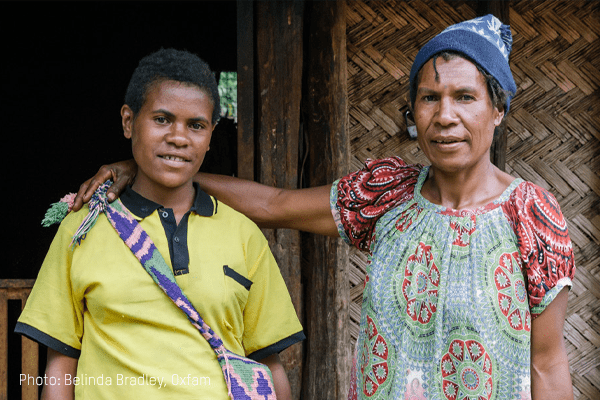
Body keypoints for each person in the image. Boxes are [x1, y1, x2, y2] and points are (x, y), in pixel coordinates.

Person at [74, 15, 576, 400]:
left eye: (465, 97)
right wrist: (159, 170)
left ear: (499, 109)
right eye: (429, 98)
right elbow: (274, 204)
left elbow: (548, 366)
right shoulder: (387, 196)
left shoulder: (530, 214)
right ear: (413, 112)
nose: (445, 116)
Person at [16, 48, 304, 400]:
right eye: (162, 119)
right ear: (127, 122)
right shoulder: (82, 228)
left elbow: (268, 363)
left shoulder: (243, 234)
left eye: (196, 125)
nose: (179, 137)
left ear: (211, 135)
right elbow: (61, 365)